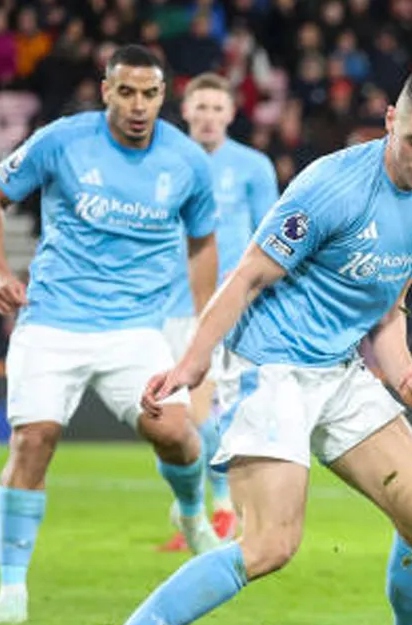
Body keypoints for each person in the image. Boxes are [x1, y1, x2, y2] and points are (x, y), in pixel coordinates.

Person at [71, 68, 412, 625]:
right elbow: (246, 274)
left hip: (338, 370)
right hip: (271, 367)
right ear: (390, 122)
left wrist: (404, 379)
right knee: (271, 544)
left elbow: (388, 302)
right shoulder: (330, 186)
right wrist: (193, 362)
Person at [0, 45, 222, 625]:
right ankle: (12, 589)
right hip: (53, 320)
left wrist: (201, 321)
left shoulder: (186, 161)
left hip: (135, 330)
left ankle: (190, 515)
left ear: (165, 96)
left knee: (179, 435)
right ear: (106, 90)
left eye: (151, 94)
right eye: (127, 92)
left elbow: (204, 240)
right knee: (33, 441)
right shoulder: (63, 141)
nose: (139, 106)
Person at [159, 72, 279, 551]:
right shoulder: (164, 162)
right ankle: (202, 508)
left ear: (232, 113)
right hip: (167, 306)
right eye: (200, 107)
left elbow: (270, 237)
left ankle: (219, 509)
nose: (208, 117)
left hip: (229, 306)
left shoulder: (252, 167)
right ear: (186, 111)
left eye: (217, 108)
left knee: (207, 410)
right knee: (173, 420)